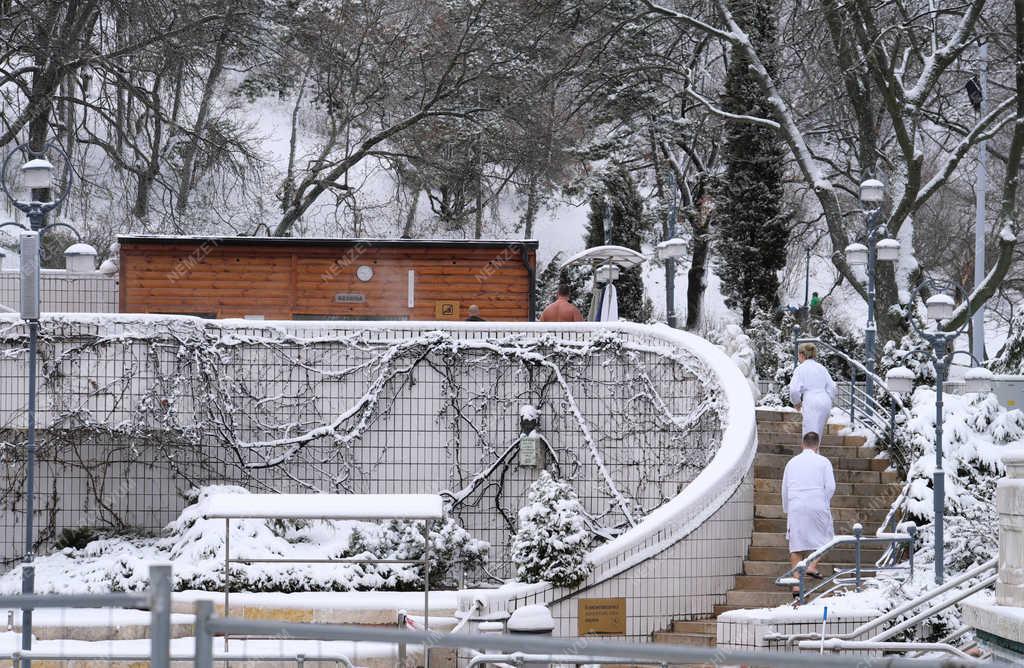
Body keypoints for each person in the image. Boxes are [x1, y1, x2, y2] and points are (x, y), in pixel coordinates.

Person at [782, 431, 836, 598]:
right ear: (817, 446)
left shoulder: (791, 463)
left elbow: (785, 489)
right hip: (817, 503)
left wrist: (787, 509)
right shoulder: (823, 461)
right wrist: (823, 501)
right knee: (827, 539)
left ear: (802, 445)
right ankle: (812, 565)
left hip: (796, 505)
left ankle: (796, 586)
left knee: (796, 546)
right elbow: (831, 487)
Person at [789, 342, 835, 437]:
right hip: (825, 400)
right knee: (818, 435)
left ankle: (810, 451)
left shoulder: (800, 369)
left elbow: (794, 390)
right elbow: (832, 387)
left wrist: (796, 402)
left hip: (811, 401)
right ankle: (815, 451)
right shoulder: (822, 368)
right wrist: (829, 399)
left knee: (809, 436)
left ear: (802, 355)